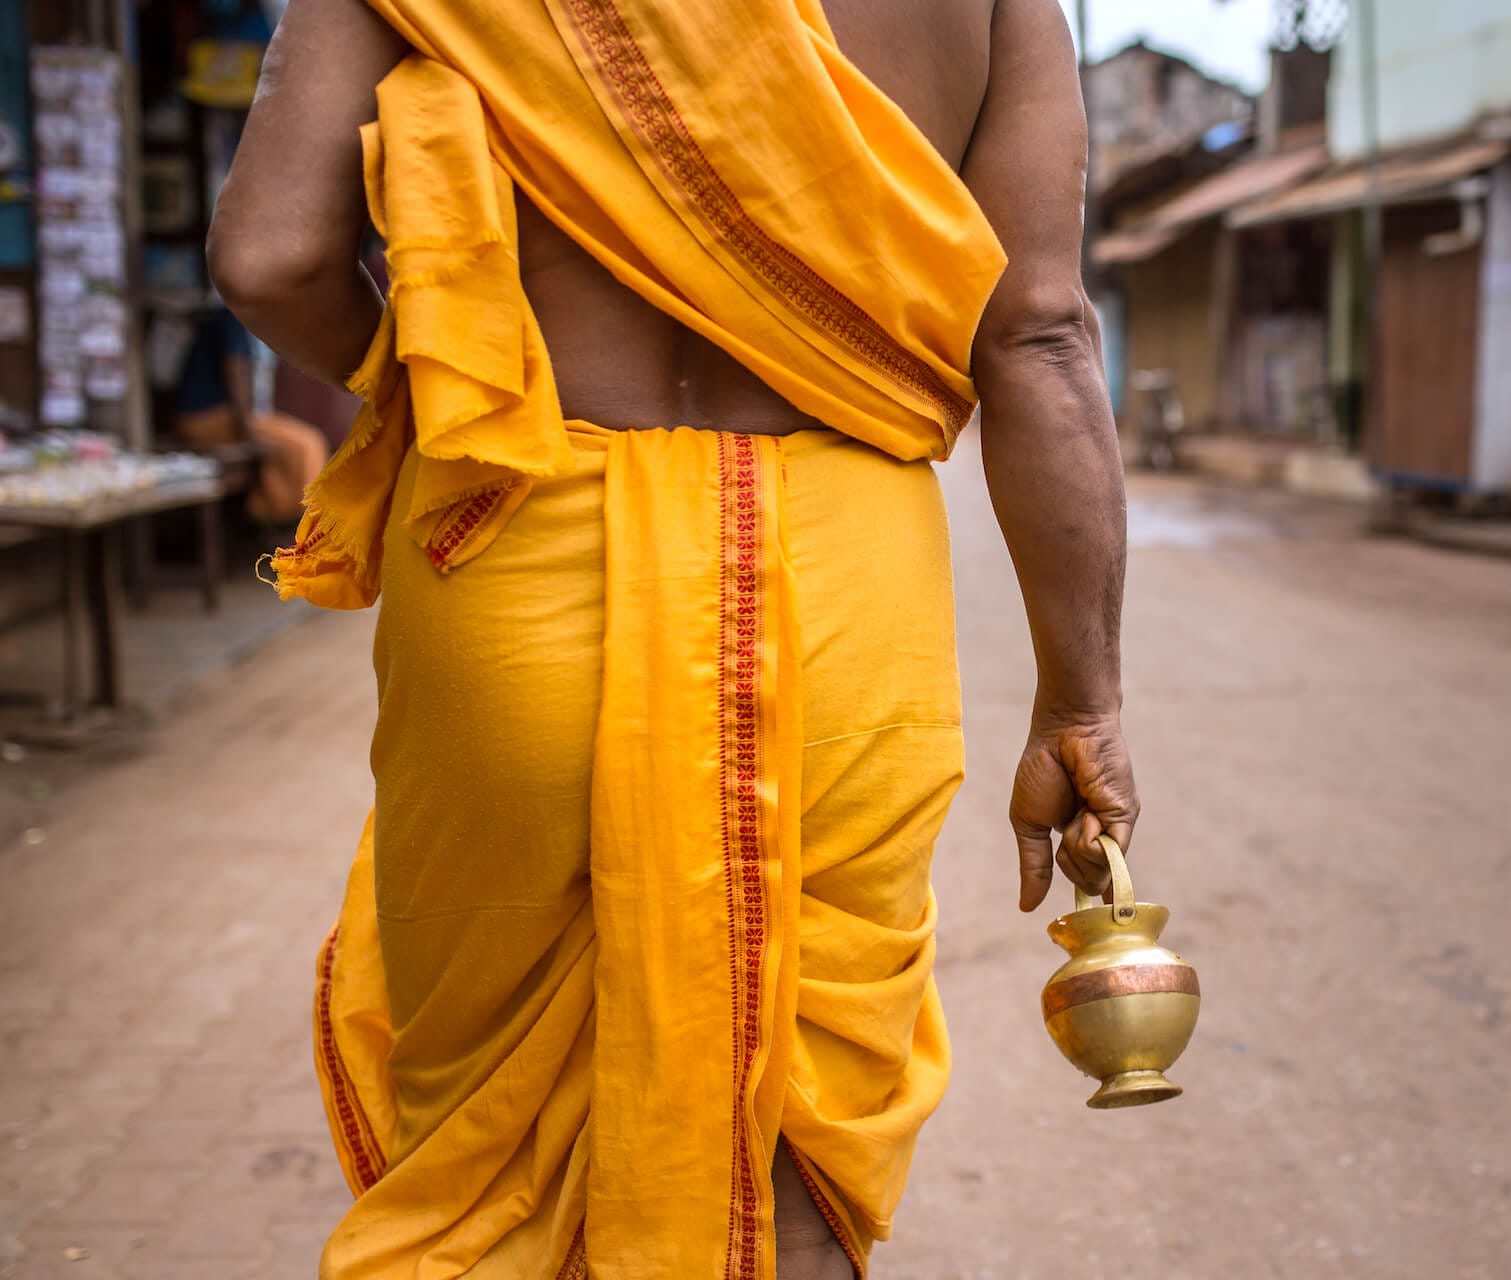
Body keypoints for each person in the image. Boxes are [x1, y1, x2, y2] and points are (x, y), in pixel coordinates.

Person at [206, 0, 1138, 1277]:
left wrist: (458, 378)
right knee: (795, 1115)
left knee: (488, 1124)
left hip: (514, 539)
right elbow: (1035, 332)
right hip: (845, 586)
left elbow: (269, 257)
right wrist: (1081, 705)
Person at [172, 303, 330, 524]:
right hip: (206, 417)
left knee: (308, 443)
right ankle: (292, 522)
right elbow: (235, 373)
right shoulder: (236, 316)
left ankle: (285, 517)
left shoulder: (258, 319)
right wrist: (249, 432)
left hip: (241, 415)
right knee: (304, 446)